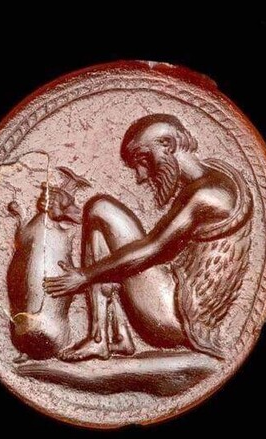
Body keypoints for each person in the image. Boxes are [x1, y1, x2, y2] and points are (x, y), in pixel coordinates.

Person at [44, 114, 253, 361]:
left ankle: (100, 338)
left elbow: (154, 248)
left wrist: (85, 276)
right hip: (177, 301)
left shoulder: (205, 195)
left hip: (173, 315)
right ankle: (116, 336)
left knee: (99, 207)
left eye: (143, 160)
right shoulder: (220, 174)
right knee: (98, 213)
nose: (141, 175)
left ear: (168, 145)